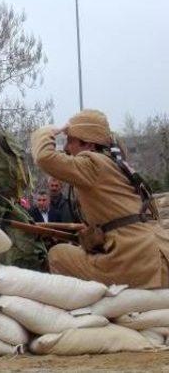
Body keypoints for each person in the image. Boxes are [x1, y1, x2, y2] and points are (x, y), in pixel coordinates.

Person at [32, 109, 169, 288]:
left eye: (70, 140)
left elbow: (44, 158)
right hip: (159, 250)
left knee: (57, 255)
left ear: (88, 144)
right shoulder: (118, 165)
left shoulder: (92, 162)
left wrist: (50, 131)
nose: (66, 148)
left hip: (135, 259)